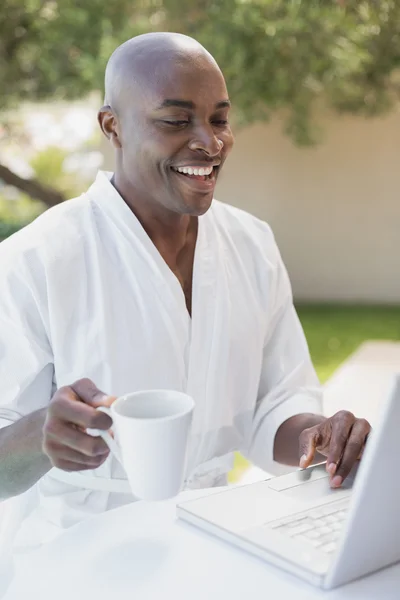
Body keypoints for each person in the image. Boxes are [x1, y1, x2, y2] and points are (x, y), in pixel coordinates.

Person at [0, 32, 370, 554]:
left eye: (219, 118)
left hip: (216, 541)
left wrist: (320, 434)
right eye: (176, 121)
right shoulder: (34, 261)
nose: (210, 142)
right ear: (113, 127)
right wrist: (43, 432)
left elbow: (275, 407)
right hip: (73, 556)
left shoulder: (252, 244)